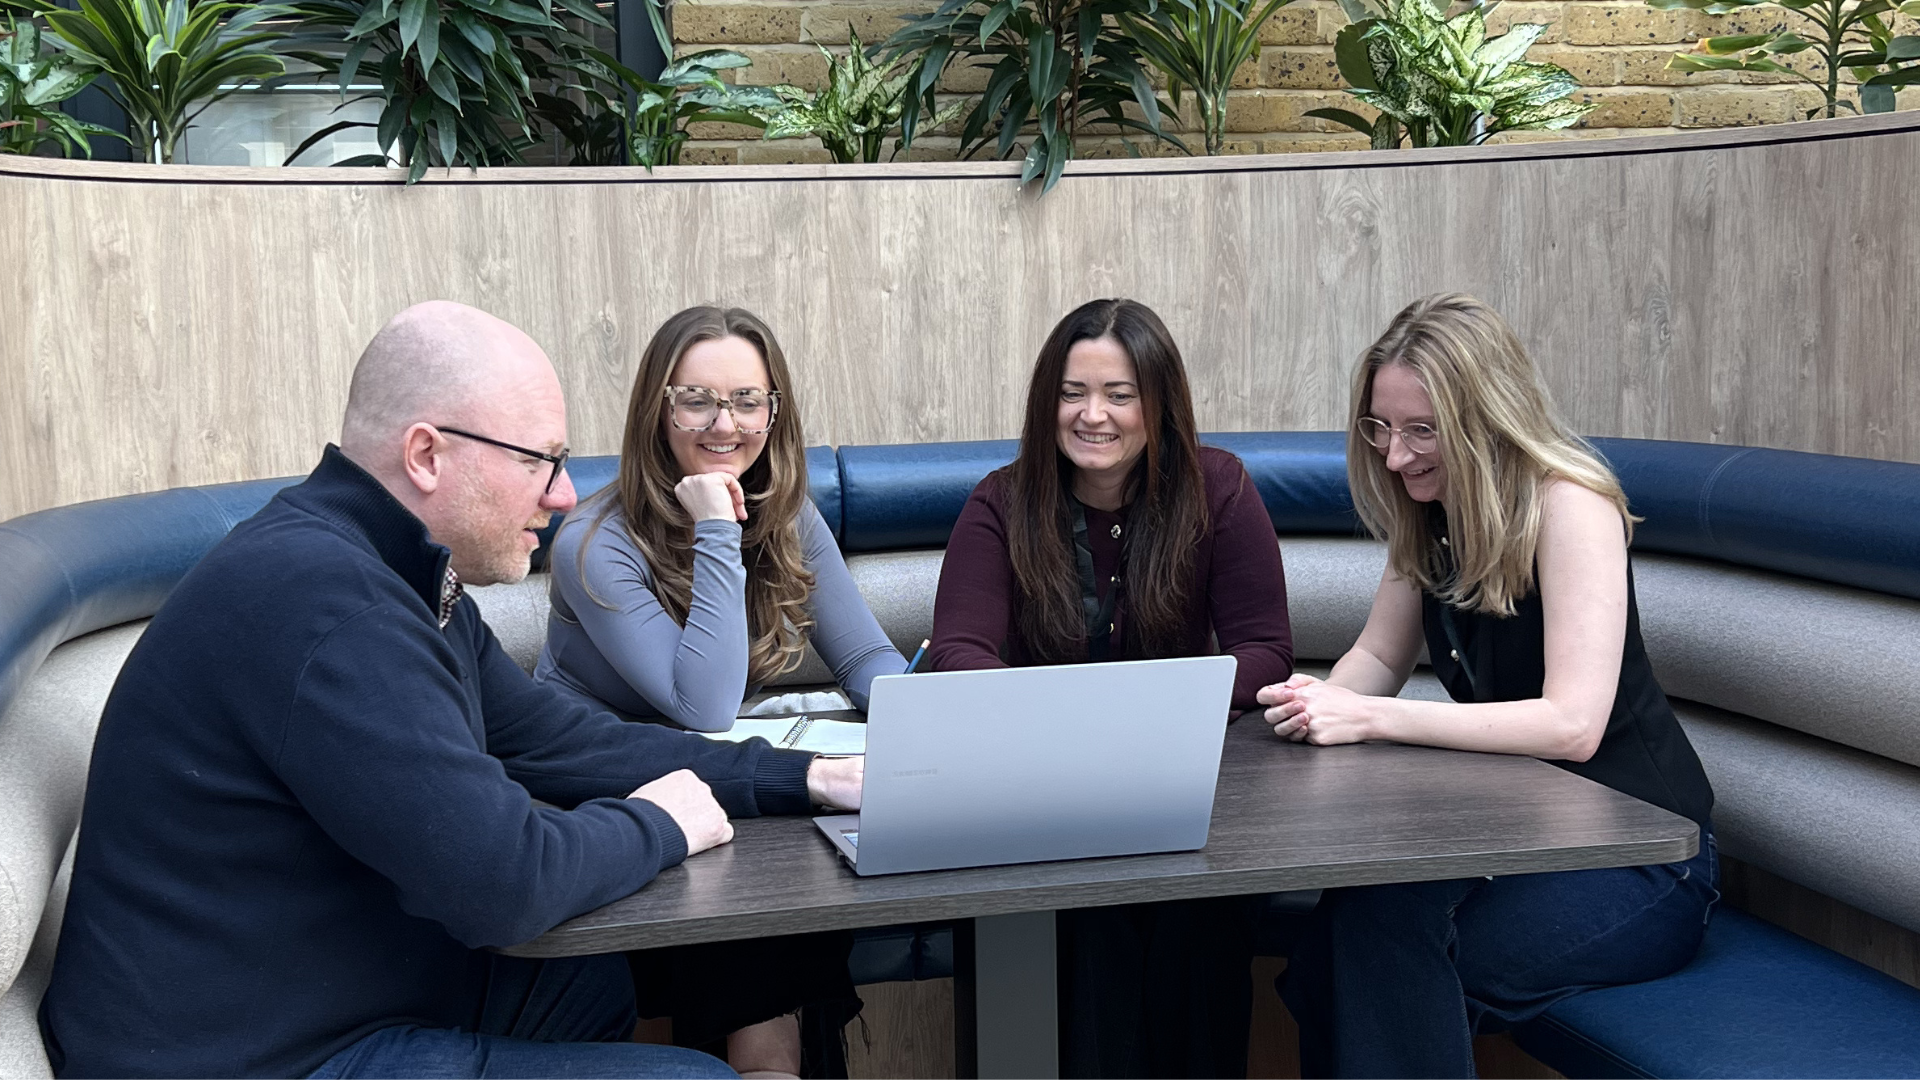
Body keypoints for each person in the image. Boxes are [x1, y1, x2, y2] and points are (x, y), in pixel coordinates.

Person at [38, 301, 864, 1080]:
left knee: (593, 983)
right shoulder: (328, 608)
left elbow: (555, 741)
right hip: (251, 1057)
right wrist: (659, 822)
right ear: (427, 454)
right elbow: (505, 884)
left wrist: (795, 778)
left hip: (342, 991)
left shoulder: (392, 570)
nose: (563, 494)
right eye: (540, 461)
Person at [1262, 293, 1717, 1079]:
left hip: (1642, 858)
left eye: (1420, 431)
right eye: (1381, 427)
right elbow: (1378, 656)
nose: (1394, 456)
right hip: (1518, 839)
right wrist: (1312, 700)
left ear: (1486, 419)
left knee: (1375, 965)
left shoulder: (1572, 506)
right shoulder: (1431, 516)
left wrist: (1369, 717)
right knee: (1353, 930)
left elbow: (1572, 725)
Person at [928, 297, 1294, 1078]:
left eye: (1119, 394)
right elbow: (957, 653)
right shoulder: (1000, 500)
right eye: (1072, 393)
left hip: (1181, 786)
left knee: (1203, 910)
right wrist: (1073, 726)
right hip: (1038, 795)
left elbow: (1266, 651)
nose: (1093, 415)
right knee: (1076, 921)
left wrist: (1154, 714)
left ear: (1158, 403)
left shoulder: (1218, 487)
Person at [536, 306, 900, 1076]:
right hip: (599, 793)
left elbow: (863, 652)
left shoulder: (789, 511)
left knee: (794, 872)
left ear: (775, 410)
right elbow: (699, 707)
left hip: (722, 788)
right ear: (657, 409)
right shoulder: (594, 542)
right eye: (696, 398)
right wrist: (715, 530)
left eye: (747, 400)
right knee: (751, 895)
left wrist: (931, 718)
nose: (723, 423)